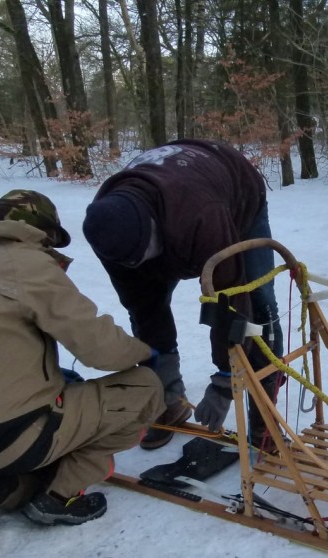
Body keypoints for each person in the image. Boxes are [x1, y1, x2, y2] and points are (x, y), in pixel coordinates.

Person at [0, 190, 165, 558]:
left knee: (57, 395)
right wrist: (147, 353)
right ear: (43, 234)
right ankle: (59, 496)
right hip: (16, 433)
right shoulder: (28, 266)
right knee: (143, 388)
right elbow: (101, 350)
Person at [81, 140, 284, 450]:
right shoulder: (106, 228)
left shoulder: (200, 215)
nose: (144, 265)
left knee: (257, 302)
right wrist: (163, 375)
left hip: (236, 196)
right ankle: (169, 402)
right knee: (147, 304)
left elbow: (230, 303)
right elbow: (143, 306)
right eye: (135, 261)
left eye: (145, 254)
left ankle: (264, 417)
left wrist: (224, 378)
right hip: (175, 207)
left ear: (152, 227)